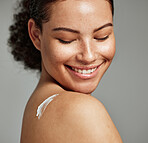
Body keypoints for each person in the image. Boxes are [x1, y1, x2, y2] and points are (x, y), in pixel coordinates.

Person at [8, 0, 123, 142]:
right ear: (36, 35)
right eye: (66, 40)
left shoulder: (38, 105)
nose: (88, 56)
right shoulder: (80, 110)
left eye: (102, 36)